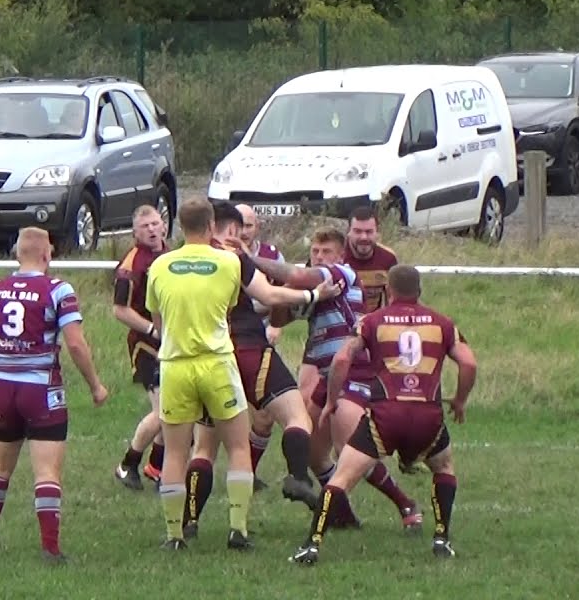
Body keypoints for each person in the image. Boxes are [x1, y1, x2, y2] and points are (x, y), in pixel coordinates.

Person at [146, 196, 339, 551]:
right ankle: (242, 526)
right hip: (224, 359)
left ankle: (178, 532)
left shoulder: (159, 265)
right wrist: (313, 294)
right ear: (214, 227)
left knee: (187, 451)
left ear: (178, 227)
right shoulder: (229, 260)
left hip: (175, 366)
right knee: (243, 443)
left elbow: (157, 325)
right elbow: (269, 295)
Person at [291, 265, 478, 565]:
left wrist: (332, 399)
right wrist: (459, 400)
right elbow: (469, 364)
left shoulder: (372, 321)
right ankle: (441, 538)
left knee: (342, 478)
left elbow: (341, 358)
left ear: (389, 291)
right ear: (419, 291)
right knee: (443, 468)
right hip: (428, 416)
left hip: (386, 416)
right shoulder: (443, 323)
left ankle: (312, 544)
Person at [0, 227, 110, 563]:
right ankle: (51, 549)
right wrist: (95, 385)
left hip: (2, 384)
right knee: (46, 472)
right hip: (41, 387)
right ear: (47, 254)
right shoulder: (58, 289)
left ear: (16, 255)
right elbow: (75, 343)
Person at [259, 229, 420, 531]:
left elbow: (297, 273)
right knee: (314, 453)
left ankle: (405, 503)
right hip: (326, 377)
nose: (318, 257)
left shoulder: (342, 274)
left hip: (353, 372)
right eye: (315, 251)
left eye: (326, 252)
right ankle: (343, 515)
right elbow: (280, 319)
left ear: (340, 256)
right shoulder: (320, 291)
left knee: (354, 451)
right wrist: (284, 291)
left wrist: (245, 258)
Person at [112, 205, 170, 491]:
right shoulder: (130, 264)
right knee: (163, 412)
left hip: (174, 343)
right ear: (135, 232)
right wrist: (152, 330)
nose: (151, 229)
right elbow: (119, 310)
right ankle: (128, 464)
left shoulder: (171, 255)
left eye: (155, 223)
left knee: (179, 410)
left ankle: (157, 466)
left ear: (164, 226)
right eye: (144, 226)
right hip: (146, 345)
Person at [234, 203, 284, 487]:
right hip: (226, 343)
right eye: (238, 224)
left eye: (248, 225)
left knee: (263, 415)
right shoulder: (220, 254)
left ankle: (247, 474)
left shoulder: (272, 256)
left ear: (258, 227)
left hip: (259, 343)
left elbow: (282, 291)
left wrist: (276, 325)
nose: (243, 231)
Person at [344, 206, 399, 313]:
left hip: (373, 322)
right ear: (348, 232)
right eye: (357, 231)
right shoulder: (337, 257)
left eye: (369, 232)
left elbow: (396, 299)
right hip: (342, 323)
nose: (363, 237)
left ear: (377, 233)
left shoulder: (388, 257)